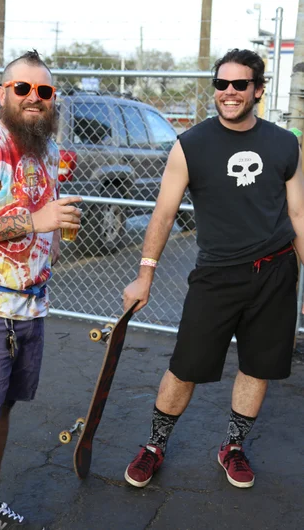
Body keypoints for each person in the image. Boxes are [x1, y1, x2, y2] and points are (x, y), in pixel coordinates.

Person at [123, 48, 304, 490]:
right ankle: (154, 446)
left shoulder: (285, 144)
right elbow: (163, 214)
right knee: (186, 366)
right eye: (221, 84)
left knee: (258, 366)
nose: (228, 92)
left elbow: (298, 215)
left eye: (239, 84)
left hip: (276, 271)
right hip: (216, 276)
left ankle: (233, 447)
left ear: (257, 90)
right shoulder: (191, 145)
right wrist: (144, 274)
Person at [0, 50, 82, 530]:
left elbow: (45, 216)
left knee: (1, 409)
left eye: (43, 91)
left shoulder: (45, 148)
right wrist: (35, 221)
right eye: (22, 88)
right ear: (2, 93)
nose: (34, 97)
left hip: (29, 305)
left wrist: (52, 236)